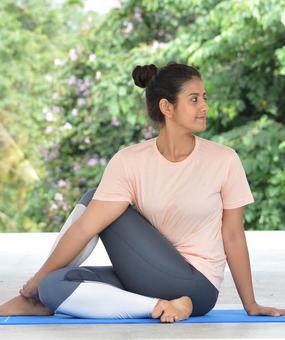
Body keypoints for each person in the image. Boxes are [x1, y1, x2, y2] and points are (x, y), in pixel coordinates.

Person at [1, 62, 284, 322]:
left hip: (197, 286)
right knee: (54, 284)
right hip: (145, 275)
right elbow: (85, 228)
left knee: (94, 202)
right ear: (167, 107)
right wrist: (41, 279)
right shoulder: (130, 161)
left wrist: (251, 303)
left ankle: (174, 303)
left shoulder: (224, 160)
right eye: (194, 99)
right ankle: (154, 305)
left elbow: (233, 235)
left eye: (204, 98)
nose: (204, 107)